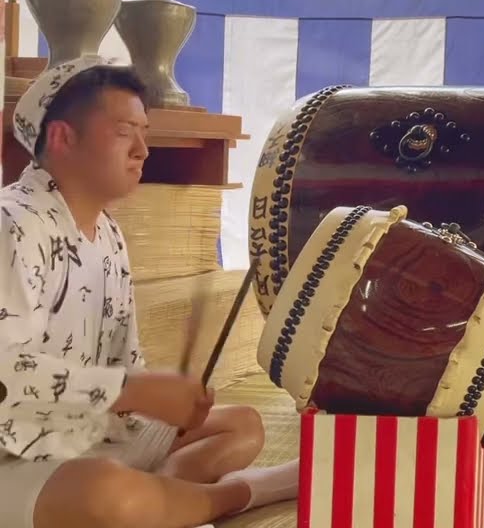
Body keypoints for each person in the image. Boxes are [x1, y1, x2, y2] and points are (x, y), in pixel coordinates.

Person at [0, 58, 297, 528]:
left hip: (90, 437)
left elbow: (124, 362)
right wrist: (134, 390)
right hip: (13, 455)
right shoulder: (13, 225)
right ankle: (235, 495)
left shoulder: (108, 233)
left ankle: (165, 501)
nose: (143, 149)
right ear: (62, 137)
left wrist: (166, 397)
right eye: (124, 131)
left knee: (240, 425)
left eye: (144, 131)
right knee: (108, 496)